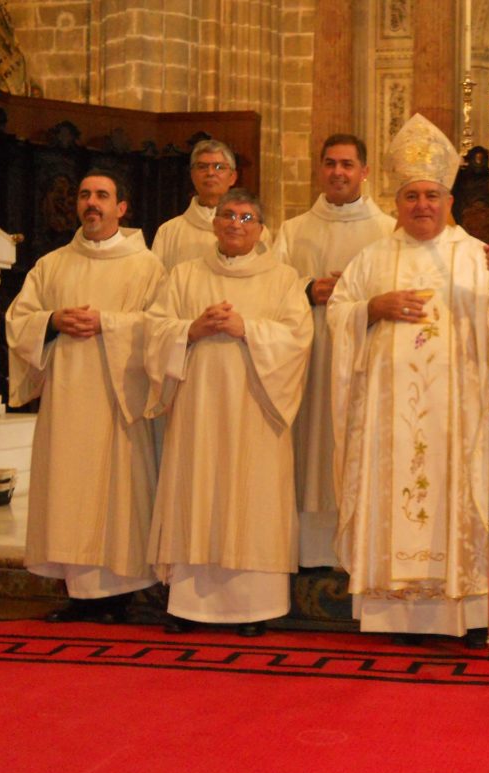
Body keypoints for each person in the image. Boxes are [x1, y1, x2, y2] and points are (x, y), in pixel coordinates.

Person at [326, 114, 489, 645]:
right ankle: (392, 612)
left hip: (458, 420)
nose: (422, 205)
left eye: (432, 195)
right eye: (412, 195)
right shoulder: (372, 259)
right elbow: (339, 315)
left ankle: (460, 609)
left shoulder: (476, 258)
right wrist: (373, 306)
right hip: (386, 422)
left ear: (450, 202)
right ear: (397, 203)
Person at [145, 189, 313, 637]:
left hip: (256, 409)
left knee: (250, 497)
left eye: (247, 217)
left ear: (260, 229)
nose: (236, 223)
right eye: (228, 215)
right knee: (195, 489)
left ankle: (254, 607)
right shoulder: (184, 276)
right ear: (214, 223)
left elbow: (298, 339)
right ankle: (188, 604)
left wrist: (248, 330)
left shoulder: (282, 278)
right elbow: (155, 330)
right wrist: (191, 330)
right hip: (197, 407)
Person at [6, 170, 165, 623]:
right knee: (69, 492)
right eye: (84, 195)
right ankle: (79, 594)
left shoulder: (146, 266)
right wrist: (52, 320)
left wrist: (107, 324)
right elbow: (19, 320)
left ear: (122, 208)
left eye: (102, 196)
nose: (91, 203)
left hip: (119, 402)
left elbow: (161, 325)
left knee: (115, 493)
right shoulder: (53, 264)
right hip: (67, 400)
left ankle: (118, 595)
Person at [273, 134, 395, 570]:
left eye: (347, 165)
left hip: (363, 355)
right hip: (308, 355)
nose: (338, 172)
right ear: (319, 170)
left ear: (365, 172)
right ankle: (310, 553)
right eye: (330, 164)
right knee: (311, 448)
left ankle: (360, 550)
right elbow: (271, 285)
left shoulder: (387, 231)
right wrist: (308, 289)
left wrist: (359, 294)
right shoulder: (292, 231)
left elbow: (399, 288)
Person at [151, 138, 272, 270]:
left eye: (219, 167)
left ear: (232, 177)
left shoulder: (253, 229)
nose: (210, 173)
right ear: (192, 175)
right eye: (202, 167)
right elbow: (159, 284)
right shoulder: (169, 232)